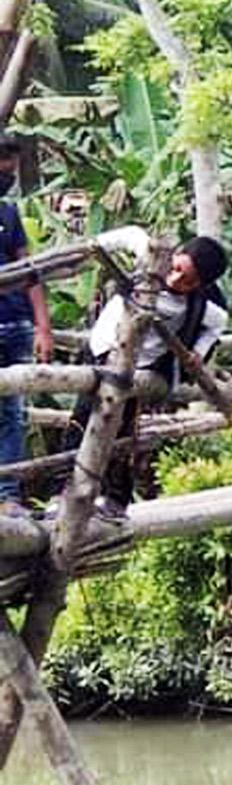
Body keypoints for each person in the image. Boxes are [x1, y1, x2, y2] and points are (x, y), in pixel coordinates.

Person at [69, 236, 228, 519]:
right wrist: (91, 246)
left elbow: (217, 325)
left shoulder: (203, 307)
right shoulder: (150, 261)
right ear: (174, 255)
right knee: (80, 423)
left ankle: (114, 499)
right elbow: (127, 234)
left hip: (140, 371)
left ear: (200, 286)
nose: (176, 278)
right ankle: (64, 493)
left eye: (188, 280)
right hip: (103, 353)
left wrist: (197, 354)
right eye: (176, 268)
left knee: (121, 431)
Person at [0, 134, 50, 514]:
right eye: (4, 168)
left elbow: (30, 271)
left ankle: (7, 497)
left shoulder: (9, 214)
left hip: (15, 323)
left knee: (11, 413)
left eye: (12, 170)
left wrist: (43, 326)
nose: (8, 176)